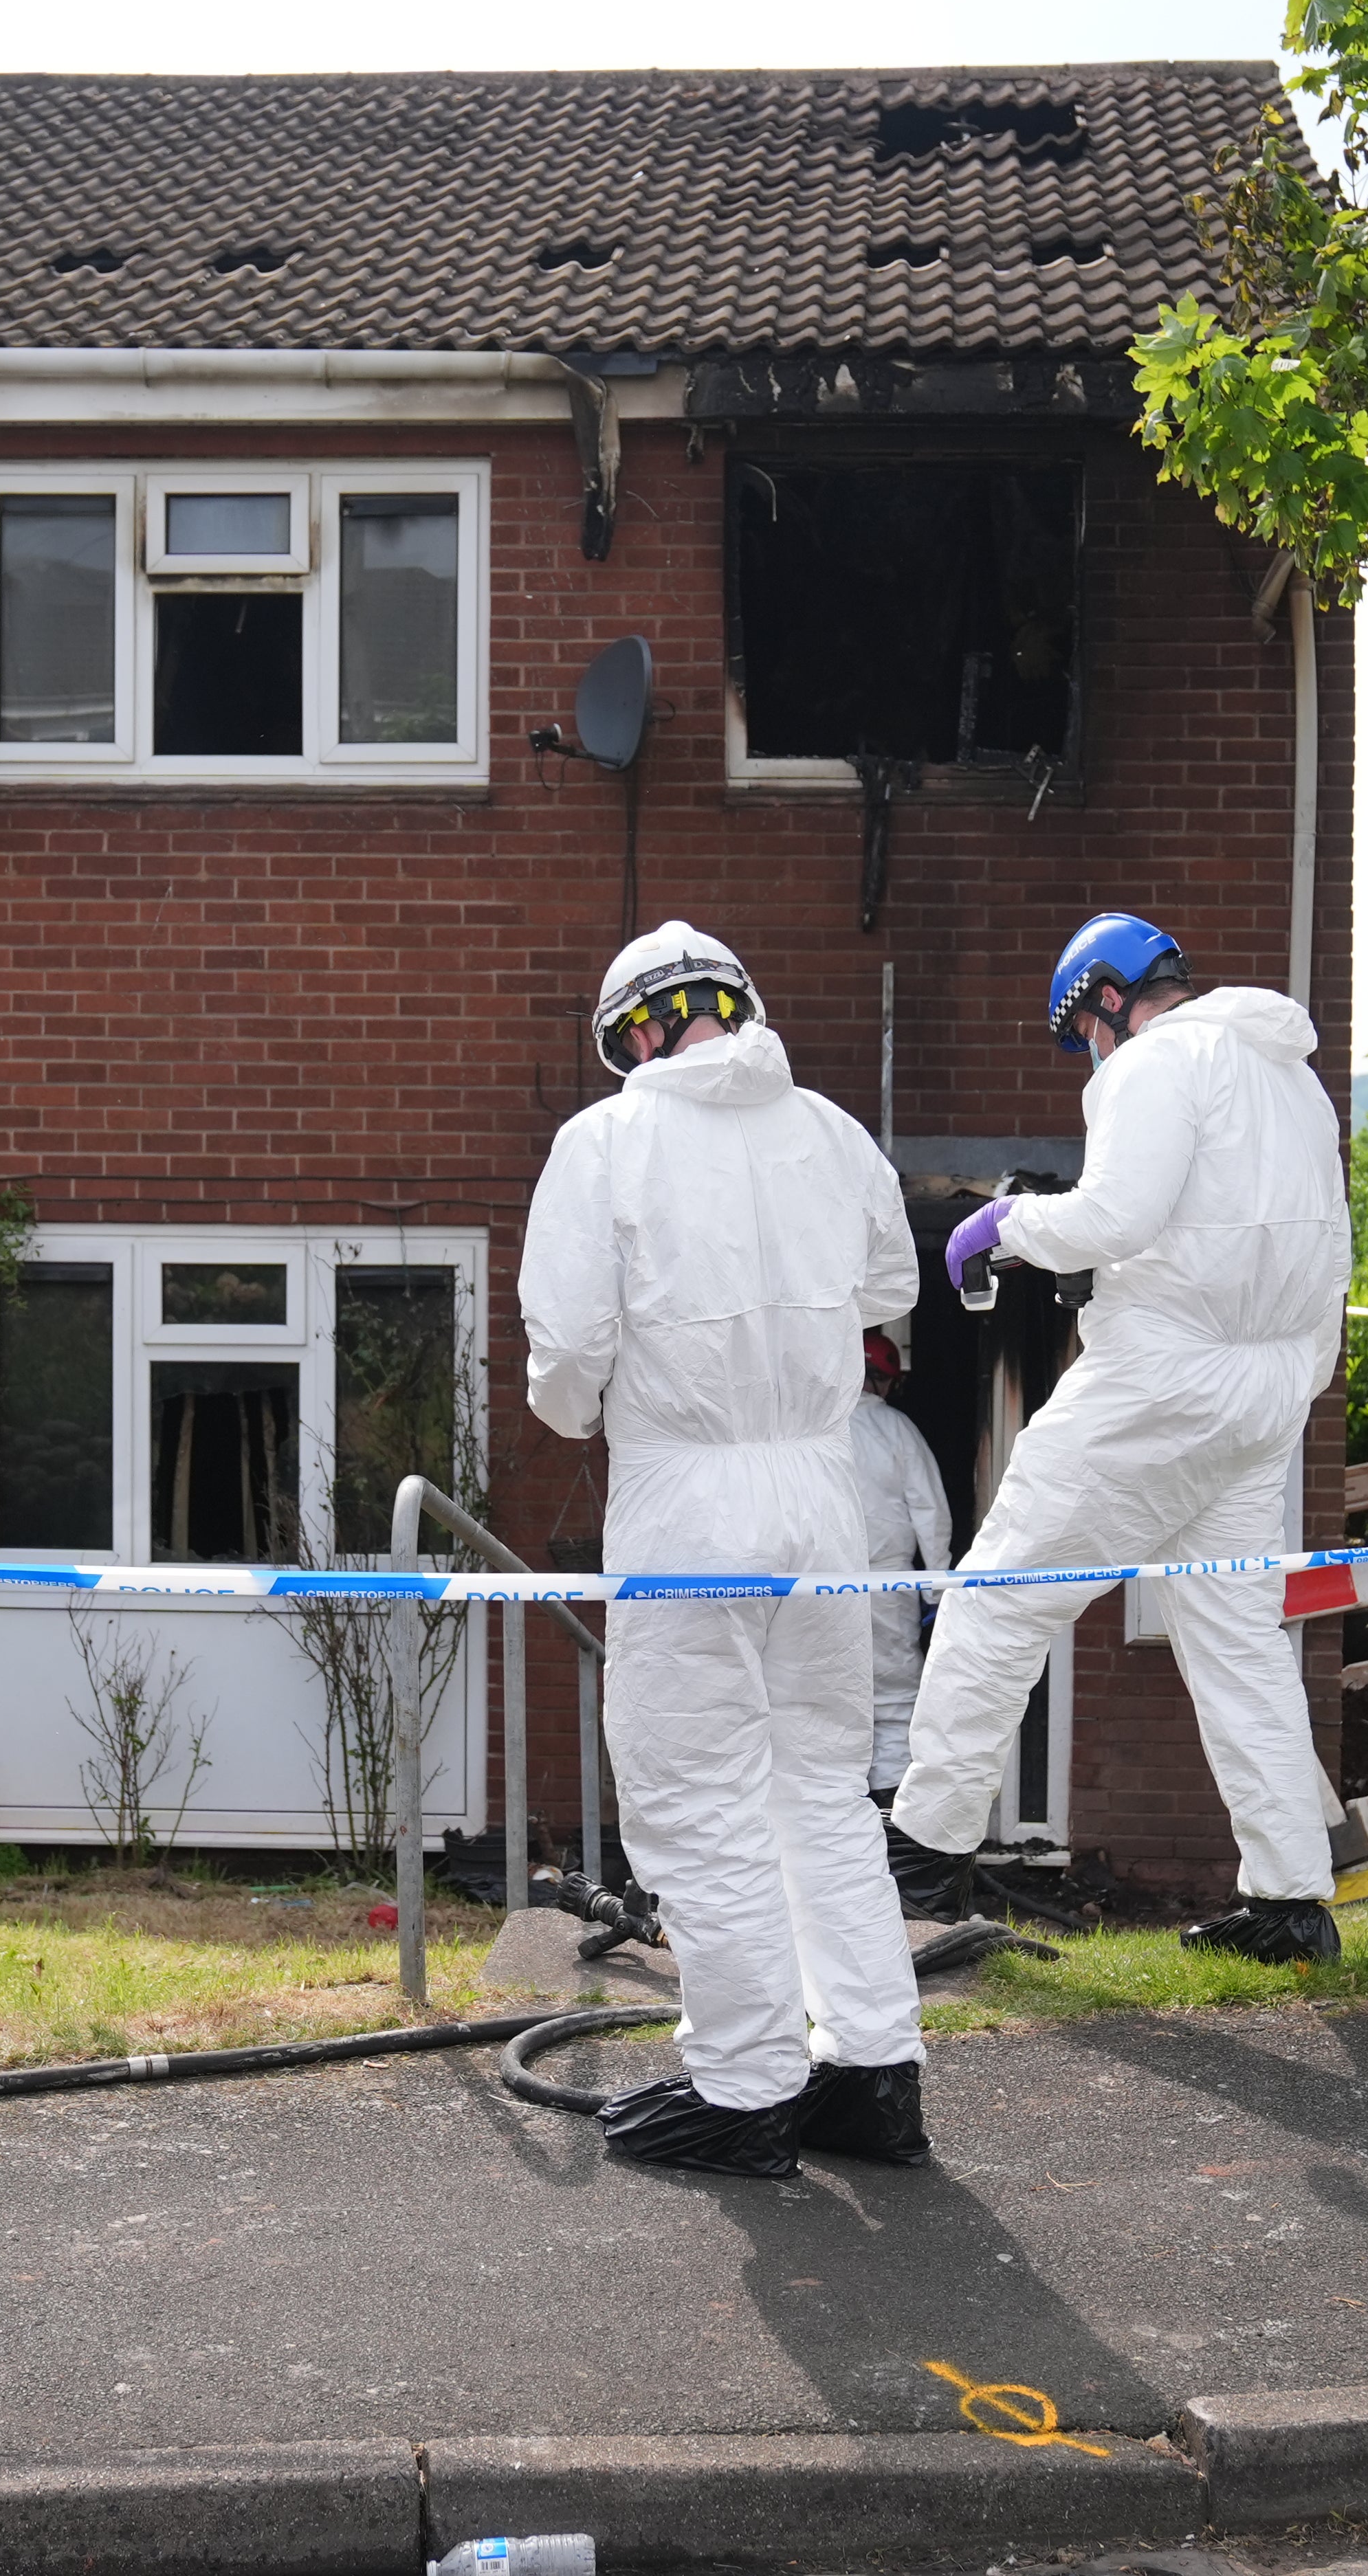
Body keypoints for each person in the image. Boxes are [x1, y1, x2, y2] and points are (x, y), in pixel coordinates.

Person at [518, 922, 930, 2177]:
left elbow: (567, 1354)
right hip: (822, 1498)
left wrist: (578, 1403)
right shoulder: (833, 1133)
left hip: (688, 1505)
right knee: (820, 1789)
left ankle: (746, 2088)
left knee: (699, 1796)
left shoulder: (606, 1145)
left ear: (635, 1035)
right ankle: (872, 2073)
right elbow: (888, 1285)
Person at [893, 913, 1356, 1966]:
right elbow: (1289, 1243)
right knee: (1240, 1647)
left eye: (1083, 1034)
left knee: (996, 1598)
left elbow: (1114, 1214)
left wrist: (1003, 1226)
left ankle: (919, 1868)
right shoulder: (1291, 1080)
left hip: (1157, 1386)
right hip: (1264, 1399)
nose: (1089, 1059)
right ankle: (1292, 1905)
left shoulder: (1159, 1062)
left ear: (1106, 999)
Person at [848, 1331, 955, 1799]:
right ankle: (891, 1831)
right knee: (892, 1703)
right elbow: (930, 1510)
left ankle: (832, 1827)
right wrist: (936, 1586)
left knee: (822, 1704)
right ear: (887, 1382)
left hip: (812, 1586)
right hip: (888, 1585)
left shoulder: (812, 1432)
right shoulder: (897, 1430)